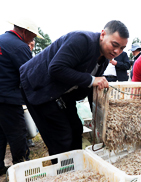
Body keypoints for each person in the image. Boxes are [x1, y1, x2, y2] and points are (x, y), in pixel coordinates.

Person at [19, 20, 129, 156]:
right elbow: (56, 68)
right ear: (102, 34)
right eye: (114, 45)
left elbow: (90, 87)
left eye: (122, 48)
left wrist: (98, 116)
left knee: (76, 129)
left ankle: (76, 167)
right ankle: (63, 171)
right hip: (40, 87)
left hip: (64, 94)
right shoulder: (82, 40)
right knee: (61, 135)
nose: (117, 51)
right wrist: (91, 79)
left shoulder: (104, 58)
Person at [0, 18, 43, 175]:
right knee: (17, 132)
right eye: (32, 36)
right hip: (8, 98)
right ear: (24, 31)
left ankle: (0, 167)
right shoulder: (19, 47)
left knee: (1, 133)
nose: (32, 40)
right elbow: (30, 76)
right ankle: (22, 167)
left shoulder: (2, 40)